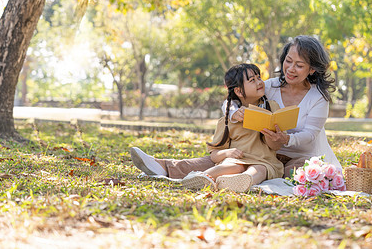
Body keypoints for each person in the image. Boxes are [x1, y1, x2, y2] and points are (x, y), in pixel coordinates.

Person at [130, 35, 342, 181]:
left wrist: (286, 140)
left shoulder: (318, 97)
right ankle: (164, 166)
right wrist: (234, 112)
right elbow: (233, 97)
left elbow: (310, 135)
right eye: (288, 61)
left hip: (299, 156)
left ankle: (236, 180)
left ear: (312, 69)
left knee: (290, 172)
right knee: (229, 158)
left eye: (299, 65)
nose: (290, 69)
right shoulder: (270, 86)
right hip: (264, 151)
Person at [179, 63, 284, 192]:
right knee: (231, 165)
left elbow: (276, 147)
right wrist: (228, 153)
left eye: (259, 77)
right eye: (252, 80)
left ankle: (243, 179)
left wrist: (271, 134)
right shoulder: (229, 119)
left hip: (264, 162)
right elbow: (215, 154)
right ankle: (201, 177)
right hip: (237, 160)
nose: (259, 82)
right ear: (238, 91)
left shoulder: (272, 107)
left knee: (259, 170)